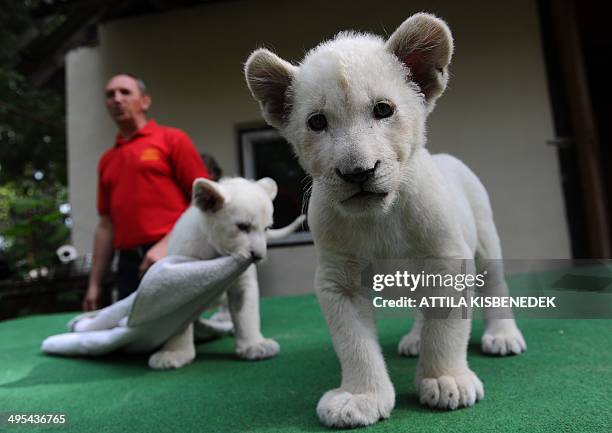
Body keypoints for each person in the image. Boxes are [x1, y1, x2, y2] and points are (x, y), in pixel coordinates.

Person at [82, 74, 210, 311]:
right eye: (110, 95)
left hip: (172, 253)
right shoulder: (107, 160)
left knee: (177, 336)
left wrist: (166, 244)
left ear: (145, 101)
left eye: (125, 92)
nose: (117, 99)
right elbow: (105, 225)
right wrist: (94, 284)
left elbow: (203, 200)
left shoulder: (172, 140)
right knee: (129, 335)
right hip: (128, 264)